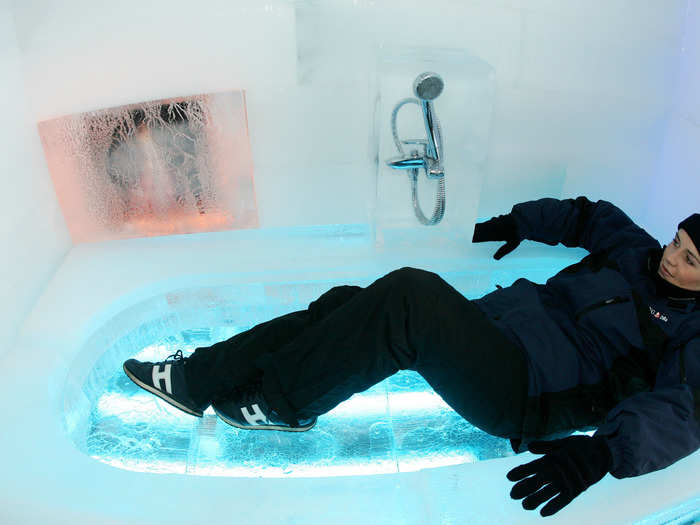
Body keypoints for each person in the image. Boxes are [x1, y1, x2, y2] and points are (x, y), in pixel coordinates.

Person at [123, 196, 700, 517]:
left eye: (692, 260)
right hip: (494, 333)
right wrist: (516, 223)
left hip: (525, 392)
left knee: (407, 297)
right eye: (678, 241)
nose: (672, 258)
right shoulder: (635, 252)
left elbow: (683, 413)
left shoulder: (691, 337)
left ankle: (279, 401)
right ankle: (200, 378)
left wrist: (602, 454)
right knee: (347, 305)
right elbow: (582, 216)